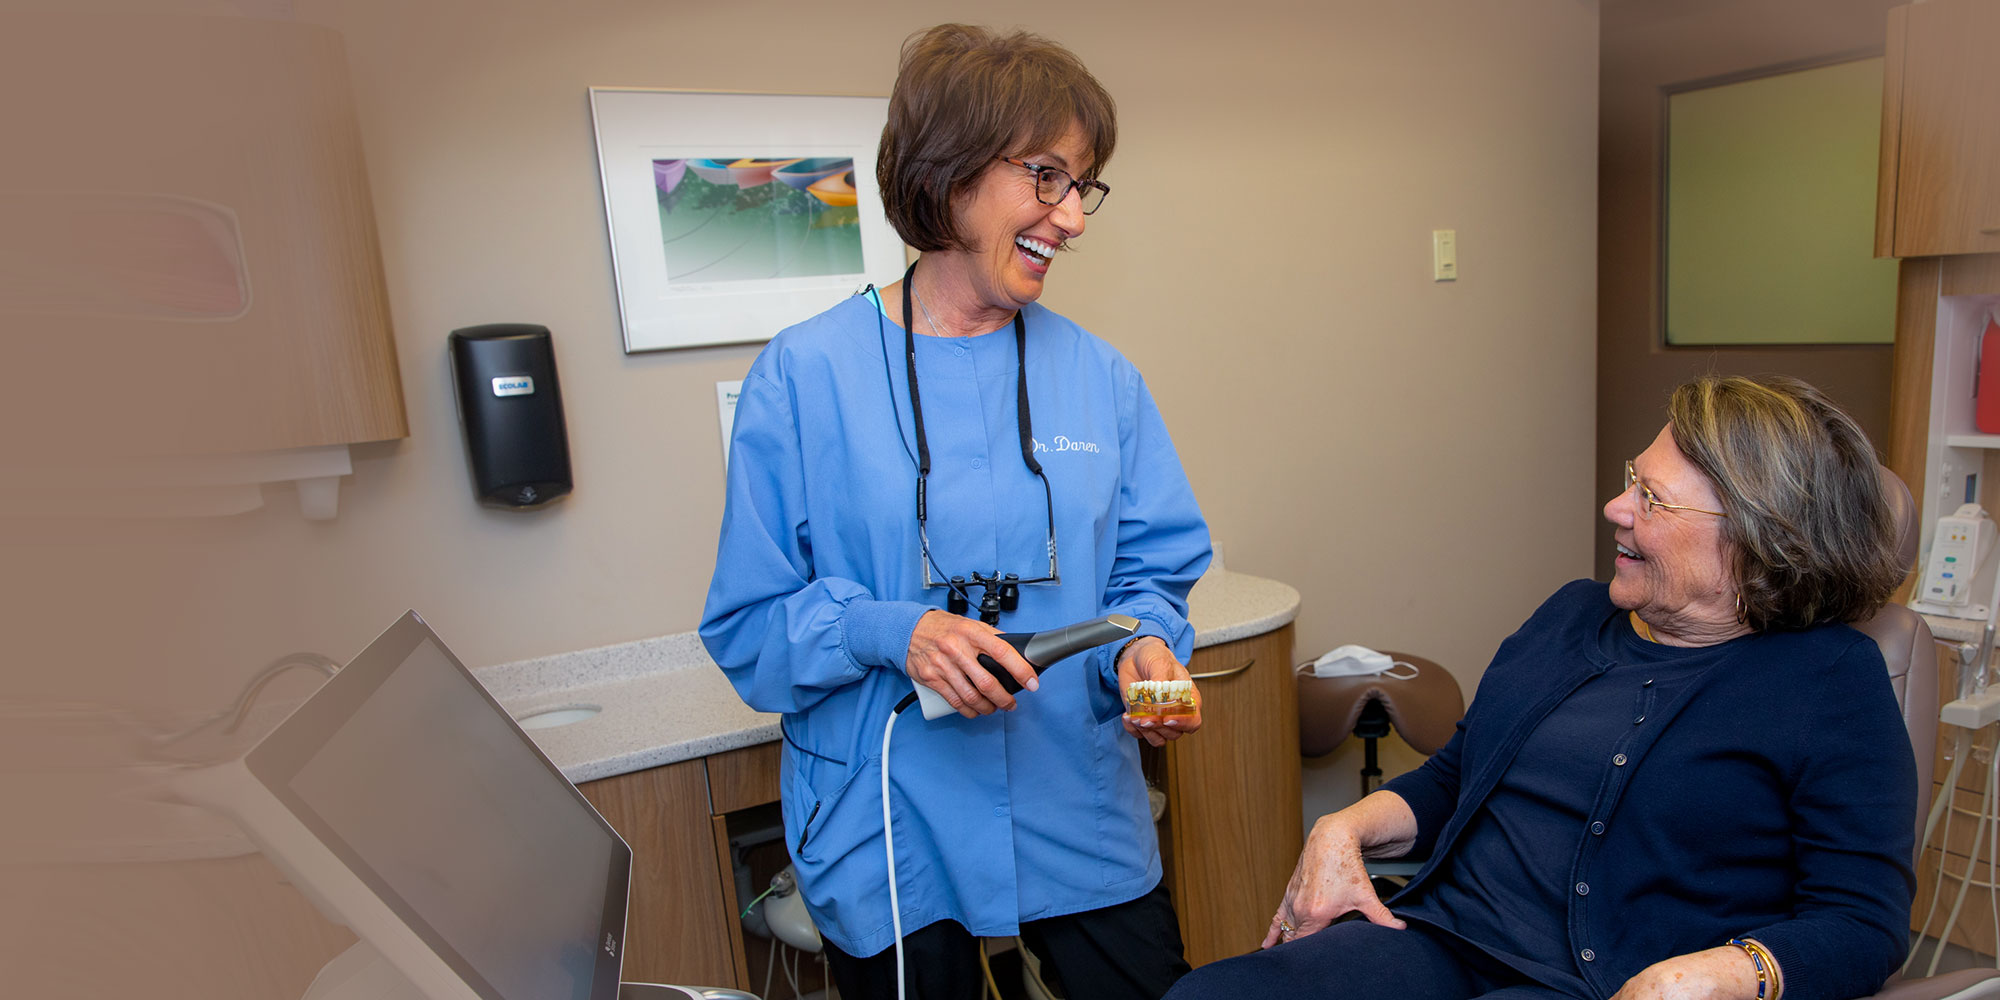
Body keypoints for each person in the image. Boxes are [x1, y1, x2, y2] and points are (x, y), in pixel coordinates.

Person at [700, 23, 1212, 1000]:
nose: (1071, 217)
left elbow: (1146, 576)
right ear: (951, 170)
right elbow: (747, 628)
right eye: (1047, 177)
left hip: (1076, 813)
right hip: (888, 825)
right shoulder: (803, 378)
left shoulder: (1101, 380)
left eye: (1082, 185)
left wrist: (1144, 647)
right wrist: (890, 630)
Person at [1167, 375, 1916, 1000]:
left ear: (1758, 537)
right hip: (1440, 943)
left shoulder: (1828, 681)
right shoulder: (1572, 615)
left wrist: (1711, 976)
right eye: (1632, 481)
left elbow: (1861, 922)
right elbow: (1458, 778)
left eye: (1652, 500)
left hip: (1608, 985)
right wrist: (1344, 827)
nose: (1616, 510)